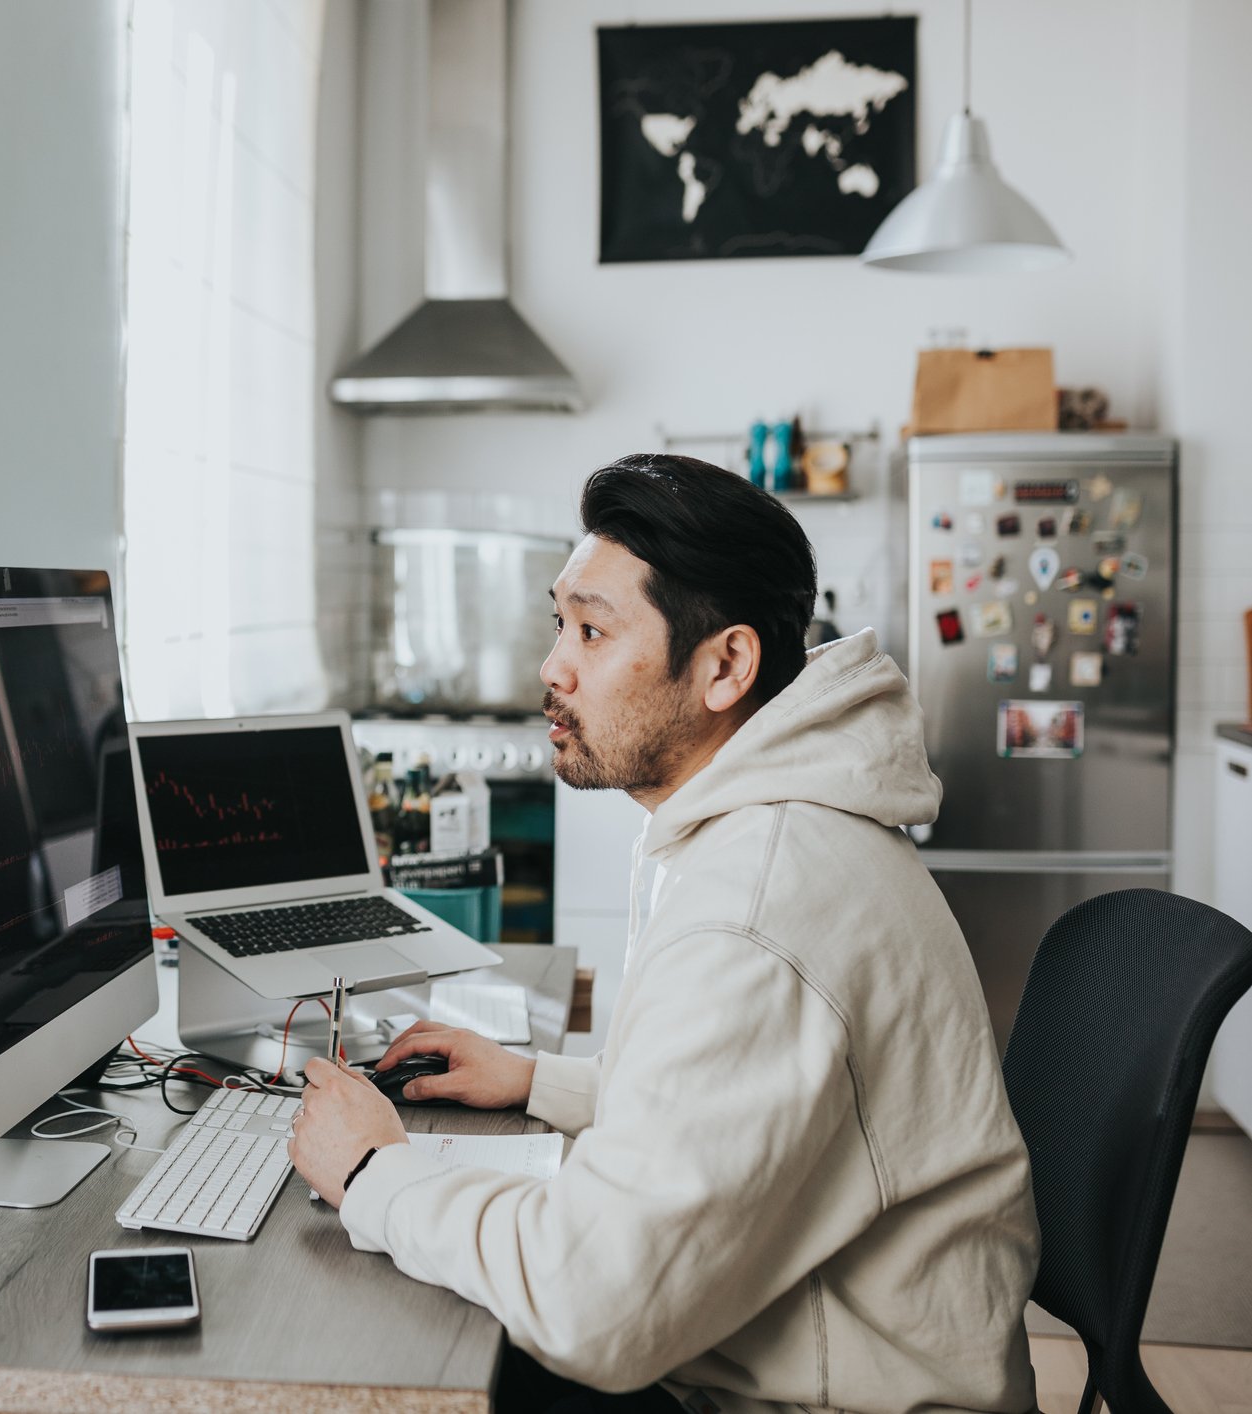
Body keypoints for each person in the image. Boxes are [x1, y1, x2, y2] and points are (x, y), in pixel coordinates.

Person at [287, 454, 1040, 1414]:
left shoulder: (756, 908)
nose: (552, 667)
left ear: (724, 665)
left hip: (827, 1399)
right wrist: (539, 1081)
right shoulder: (762, 827)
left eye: (593, 631)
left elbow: (595, 1308)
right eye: (558, 622)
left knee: (415, 1345)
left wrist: (369, 1172)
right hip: (794, 1348)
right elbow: (733, 1105)